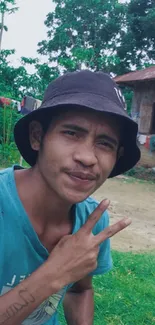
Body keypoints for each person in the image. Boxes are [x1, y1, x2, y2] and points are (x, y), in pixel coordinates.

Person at [0, 70, 140, 325]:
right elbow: (64, 274)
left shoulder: (91, 219)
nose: (87, 158)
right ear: (37, 136)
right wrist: (55, 273)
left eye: (105, 143)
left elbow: (79, 289)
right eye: (72, 133)